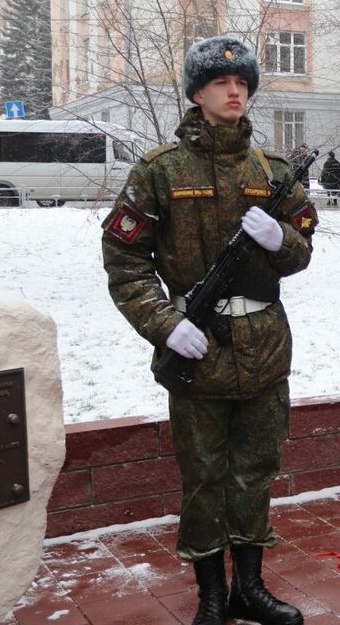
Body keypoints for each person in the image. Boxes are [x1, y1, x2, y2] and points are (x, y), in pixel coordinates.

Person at [101, 36, 315, 625]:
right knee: (203, 479)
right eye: (222, 84)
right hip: (199, 349)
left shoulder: (270, 172)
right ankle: (211, 596)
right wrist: (166, 326)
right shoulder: (160, 172)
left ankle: (248, 587)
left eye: (243, 83)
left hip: (265, 347)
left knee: (255, 472)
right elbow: (124, 261)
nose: (234, 91)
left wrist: (283, 241)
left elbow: (302, 250)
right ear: (198, 94)